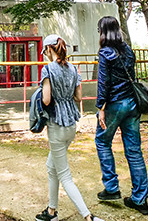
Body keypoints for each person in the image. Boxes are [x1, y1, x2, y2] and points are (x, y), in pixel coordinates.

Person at [36, 34, 104, 221]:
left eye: (44, 51)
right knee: (52, 167)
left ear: (49, 49)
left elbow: (47, 99)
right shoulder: (74, 69)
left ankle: (88, 216)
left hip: (56, 125)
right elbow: (78, 97)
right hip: (71, 125)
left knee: (65, 176)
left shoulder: (47, 70)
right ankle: (51, 212)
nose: (44, 54)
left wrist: (41, 94)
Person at [94, 16, 148, 215]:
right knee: (134, 151)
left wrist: (101, 107)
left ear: (103, 31)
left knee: (102, 141)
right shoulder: (128, 50)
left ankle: (111, 188)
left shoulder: (105, 53)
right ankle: (140, 198)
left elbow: (103, 83)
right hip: (133, 104)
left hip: (115, 105)